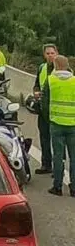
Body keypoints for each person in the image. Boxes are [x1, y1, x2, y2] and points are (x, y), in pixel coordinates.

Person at [44, 55, 75, 196]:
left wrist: (48, 118)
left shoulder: (50, 80)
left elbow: (44, 102)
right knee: (74, 157)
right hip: (73, 124)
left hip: (56, 123)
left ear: (55, 65)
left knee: (58, 156)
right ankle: (74, 188)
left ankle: (57, 186)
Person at [34, 44, 59, 175]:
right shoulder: (41, 68)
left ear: (56, 54)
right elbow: (36, 84)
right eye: (48, 53)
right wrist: (36, 92)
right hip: (43, 110)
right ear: (44, 55)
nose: (50, 55)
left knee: (57, 141)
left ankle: (58, 168)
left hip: (56, 111)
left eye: (52, 53)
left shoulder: (62, 69)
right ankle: (46, 164)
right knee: (44, 138)